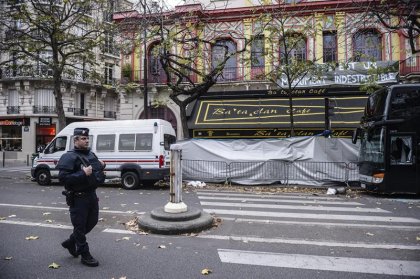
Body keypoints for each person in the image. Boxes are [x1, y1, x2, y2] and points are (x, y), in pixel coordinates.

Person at [57, 128, 106, 267]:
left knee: (92, 222)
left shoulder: (91, 154)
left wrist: (103, 165)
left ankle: (71, 242)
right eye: (83, 139)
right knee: (79, 227)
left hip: (91, 195)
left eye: (87, 138)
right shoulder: (68, 157)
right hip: (78, 198)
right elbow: (62, 178)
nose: (86, 140)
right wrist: (82, 174)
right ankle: (85, 254)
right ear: (75, 140)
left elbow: (97, 170)